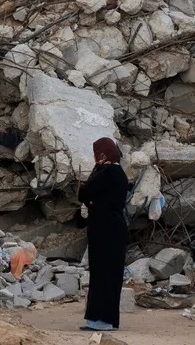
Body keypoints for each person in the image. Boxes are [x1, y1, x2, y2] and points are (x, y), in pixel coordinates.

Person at [78, 137, 129, 332]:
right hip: (107, 228)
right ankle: (101, 319)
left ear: (102, 154)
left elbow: (84, 192)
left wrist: (91, 200)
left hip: (107, 229)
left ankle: (103, 320)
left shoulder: (109, 172)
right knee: (103, 272)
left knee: (105, 273)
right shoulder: (111, 172)